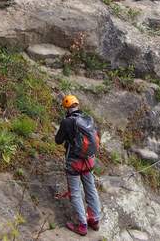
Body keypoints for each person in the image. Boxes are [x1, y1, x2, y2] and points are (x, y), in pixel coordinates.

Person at [55, 95, 102, 236]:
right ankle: (94, 219)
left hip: (74, 163)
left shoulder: (67, 122)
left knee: (75, 192)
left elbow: (58, 140)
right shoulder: (88, 119)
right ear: (77, 105)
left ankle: (82, 225)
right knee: (91, 188)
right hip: (89, 160)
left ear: (66, 108)